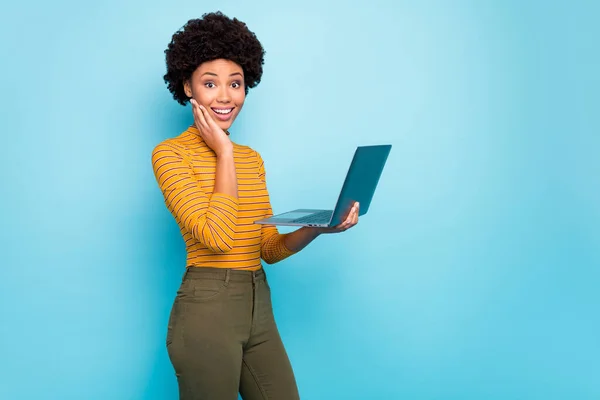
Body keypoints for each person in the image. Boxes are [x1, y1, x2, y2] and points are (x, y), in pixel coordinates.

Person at [151, 11, 359, 400]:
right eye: (210, 83)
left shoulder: (252, 159)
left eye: (236, 83)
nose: (226, 96)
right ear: (188, 88)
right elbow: (216, 235)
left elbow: (269, 249)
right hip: (206, 310)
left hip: (258, 306)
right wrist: (224, 153)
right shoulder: (170, 154)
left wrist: (321, 228)